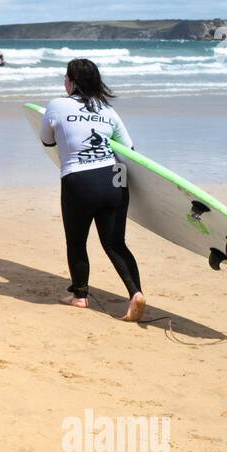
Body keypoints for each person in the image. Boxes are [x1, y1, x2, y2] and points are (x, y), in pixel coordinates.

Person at [39, 58, 145, 321]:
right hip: (114, 179)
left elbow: (46, 140)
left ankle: (80, 296)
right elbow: (129, 150)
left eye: (65, 77)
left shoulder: (56, 105)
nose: (63, 82)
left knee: (76, 242)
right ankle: (136, 294)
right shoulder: (108, 110)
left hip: (79, 180)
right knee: (115, 243)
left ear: (72, 81)